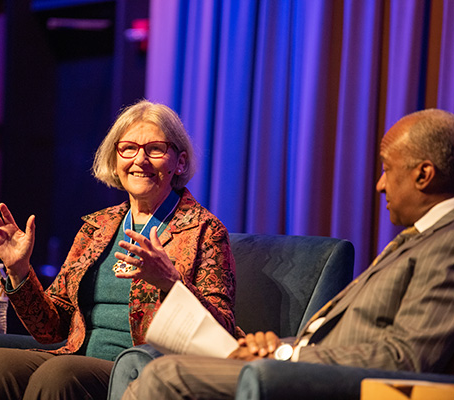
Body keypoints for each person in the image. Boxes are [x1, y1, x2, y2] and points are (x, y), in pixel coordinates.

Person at [121, 108, 454, 400]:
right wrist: (275, 346)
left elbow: (406, 359)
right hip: (300, 364)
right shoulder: (419, 239)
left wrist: (284, 355)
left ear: (423, 174)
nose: (380, 184)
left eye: (387, 168)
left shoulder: (447, 245)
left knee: (168, 375)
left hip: (332, 381)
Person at [0, 100, 237, 400]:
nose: (140, 160)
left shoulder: (204, 230)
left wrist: (172, 283)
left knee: (59, 375)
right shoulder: (97, 227)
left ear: (179, 162)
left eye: (155, 149)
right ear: (116, 160)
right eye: (128, 148)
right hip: (75, 357)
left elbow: (221, 331)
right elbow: (52, 328)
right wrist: (19, 270)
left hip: (145, 371)